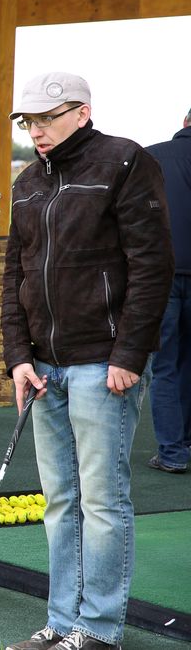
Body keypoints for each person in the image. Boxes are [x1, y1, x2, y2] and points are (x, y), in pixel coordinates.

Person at [2, 73, 173, 650]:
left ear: (82, 112)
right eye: (29, 121)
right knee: (60, 502)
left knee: (102, 501)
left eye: (47, 118)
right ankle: (61, 622)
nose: (37, 130)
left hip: (104, 364)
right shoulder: (27, 181)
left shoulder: (124, 161)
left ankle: (97, 630)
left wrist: (130, 353)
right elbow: (14, 275)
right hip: (43, 368)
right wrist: (17, 356)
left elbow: (152, 265)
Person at [146, 107, 191, 474]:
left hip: (161, 275)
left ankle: (173, 453)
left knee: (165, 367)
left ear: (185, 123)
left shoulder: (152, 157)